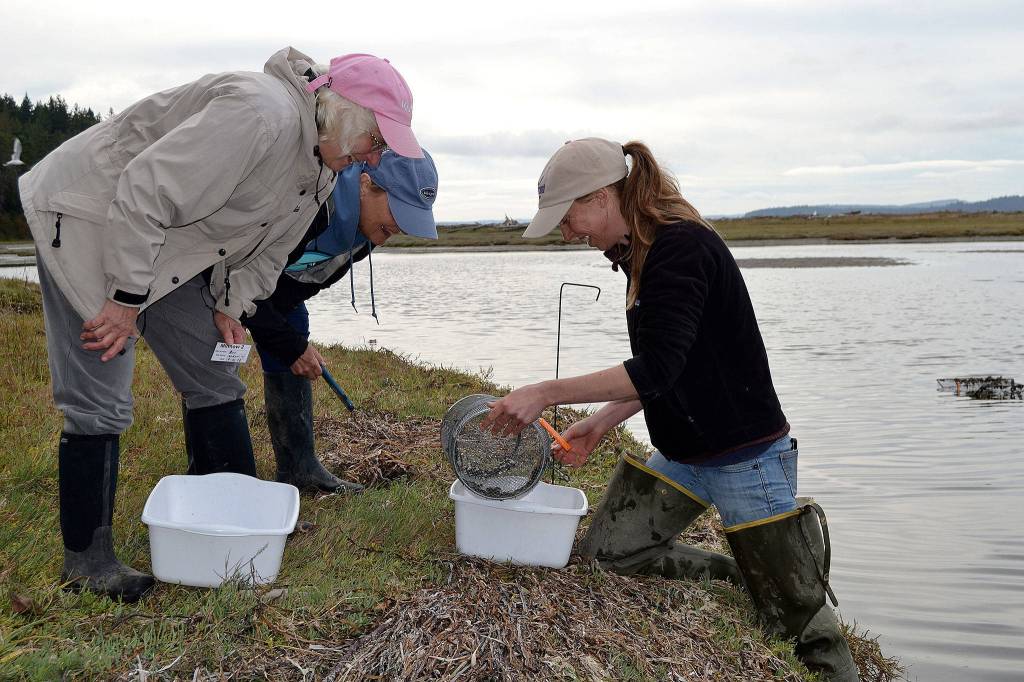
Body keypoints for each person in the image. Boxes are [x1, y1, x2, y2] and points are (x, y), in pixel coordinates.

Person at [18, 47, 423, 602]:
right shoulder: (259, 116)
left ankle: (224, 524)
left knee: (215, 374)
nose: (373, 158)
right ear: (344, 112)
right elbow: (144, 190)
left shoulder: (323, 168)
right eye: (375, 141)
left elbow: (269, 250)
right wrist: (124, 299)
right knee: (101, 392)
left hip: (171, 245)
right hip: (92, 214)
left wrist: (232, 305)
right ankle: (87, 562)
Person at [482, 138, 859, 681]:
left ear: (603, 196)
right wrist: (599, 422)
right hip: (683, 453)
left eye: (567, 218)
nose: (568, 233)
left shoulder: (681, 249)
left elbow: (657, 367)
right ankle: (743, 575)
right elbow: (669, 367)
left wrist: (545, 392)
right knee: (609, 554)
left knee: (802, 624)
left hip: (746, 457)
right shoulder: (639, 253)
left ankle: (780, 589)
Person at [244, 149, 439, 492]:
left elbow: (299, 285)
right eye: (398, 211)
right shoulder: (311, 203)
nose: (399, 227)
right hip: (219, 278)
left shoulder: (368, 232)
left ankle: (299, 471)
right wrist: (289, 345)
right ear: (366, 183)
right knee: (214, 370)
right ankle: (222, 483)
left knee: (294, 328)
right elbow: (238, 279)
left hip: (274, 287)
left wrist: (289, 339)